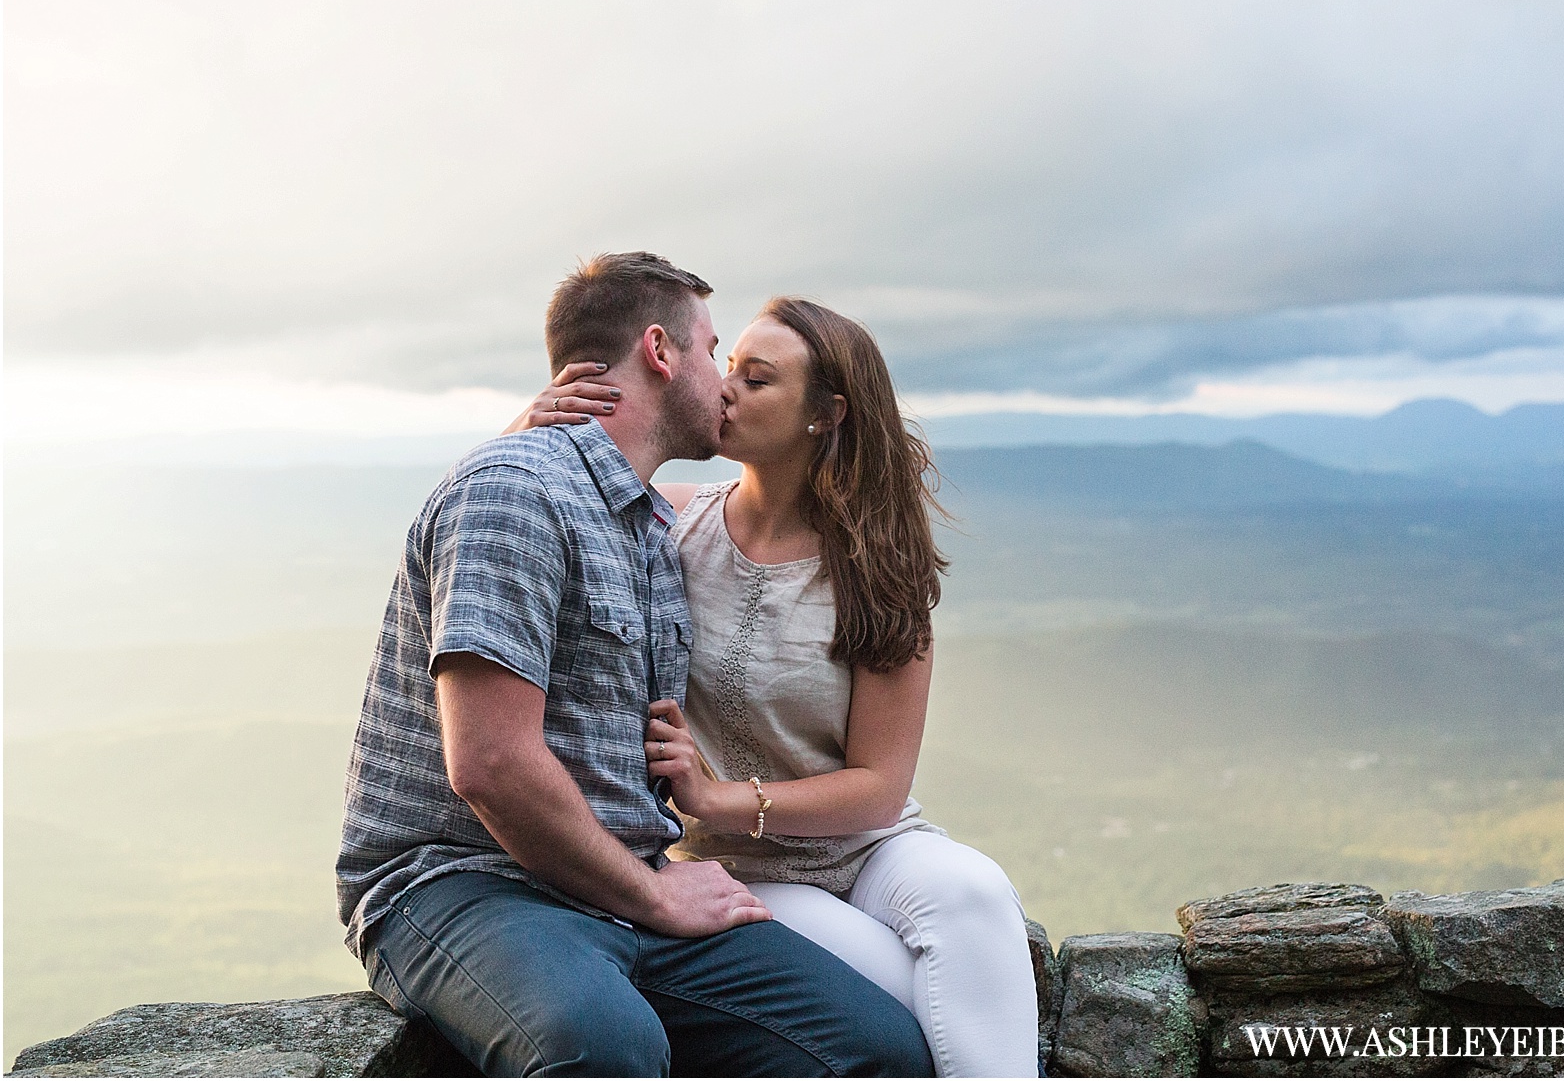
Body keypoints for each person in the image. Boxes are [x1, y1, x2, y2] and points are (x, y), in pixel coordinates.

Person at [336, 253, 933, 1078]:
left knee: (876, 1050)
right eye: (712, 352)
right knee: (603, 1045)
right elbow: (491, 763)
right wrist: (653, 894)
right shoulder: (515, 489)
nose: (723, 383)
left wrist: (648, 884)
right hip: (466, 881)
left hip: (621, 879)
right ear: (660, 351)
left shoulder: (650, 526)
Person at [510, 296, 1039, 1077]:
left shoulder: (879, 569)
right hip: (734, 872)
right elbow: (522, 517)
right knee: (910, 1012)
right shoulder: (670, 524)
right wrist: (527, 431)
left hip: (868, 847)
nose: (723, 390)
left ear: (824, 415)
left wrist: (721, 795)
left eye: (755, 380)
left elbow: (881, 788)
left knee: (975, 892)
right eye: (727, 368)